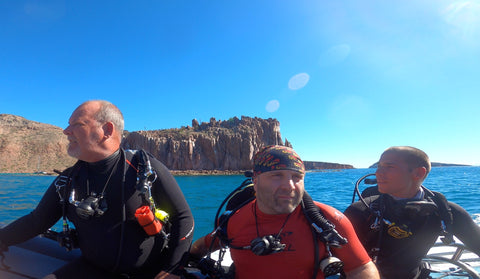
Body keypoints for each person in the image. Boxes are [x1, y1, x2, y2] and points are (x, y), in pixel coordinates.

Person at [0, 100, 194, 279]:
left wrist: (171, 270)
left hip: (149, 272)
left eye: (76, 124)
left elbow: (183, 218)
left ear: (107, 130)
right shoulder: (67, 180)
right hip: (92, 269)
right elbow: (36, 222)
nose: (66, 131)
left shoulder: (143, 168)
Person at [190, 145, 379, 279]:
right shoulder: (234, 219)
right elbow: (202, 246)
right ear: (255, 180)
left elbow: (360, 268)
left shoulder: (328, 220)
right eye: (276, 175)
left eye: (297, 177)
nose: (289, 186)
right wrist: (177, 267)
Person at [344, 146, 480, 279]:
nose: (378, 172)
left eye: (389, 167)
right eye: (379, 166)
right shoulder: (360, 211)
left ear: (418, 173)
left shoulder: (446, 212)